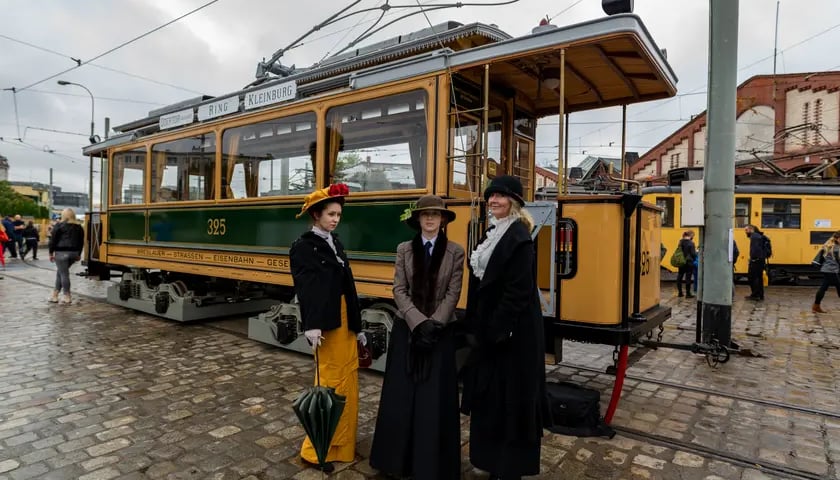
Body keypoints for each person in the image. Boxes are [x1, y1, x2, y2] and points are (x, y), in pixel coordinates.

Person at [370, 195, 465, 480]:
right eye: (425, 215)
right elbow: (398, 290)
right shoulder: (404, 250)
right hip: (408, 331)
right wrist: (418, 323)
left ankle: (431, 463)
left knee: (434, 399)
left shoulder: (455, 252)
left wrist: (434, 324)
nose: (430, 219)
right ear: (418, 220)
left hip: (440, 333)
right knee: (402, 396)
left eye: (436, 215)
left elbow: (453, 292)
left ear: (444, 220)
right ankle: (396, 460)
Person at [460, 175, 547, 480]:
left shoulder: (518, 237)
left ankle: (510, 468)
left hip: (513, 335)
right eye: (490, 197)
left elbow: (518, 292)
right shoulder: (493, 232)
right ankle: (491, 459)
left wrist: (497, 331)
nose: (493, 201)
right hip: (493, 330)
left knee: (511, 400)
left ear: (514, 202)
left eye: (500, 197)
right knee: (492, 399)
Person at [290, 183, 363, 473]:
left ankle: (342, 444)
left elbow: (349, 286)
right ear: (317, 214)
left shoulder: (335, 243)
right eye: (331, 214)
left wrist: (357, 325)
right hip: (326, 322)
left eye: (338, 215)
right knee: (330, 383)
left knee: (348, 380)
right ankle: (315, 449)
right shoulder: (303, 246)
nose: (335, 219)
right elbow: (306, 288)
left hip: (344, 319)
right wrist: (311, 325)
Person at [48, 208, 84, 304]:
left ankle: (67, 296)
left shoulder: (59, 226)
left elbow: (53, 240)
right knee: (61, 272)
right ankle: (55, 295)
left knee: (63, 274)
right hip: (74, 253)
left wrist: (51, 253)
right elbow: (81, 242)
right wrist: (79, 254)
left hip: (61, 252)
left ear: (63, 216)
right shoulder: (79, 227)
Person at [812, 230, 840, 313]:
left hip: (826, 270)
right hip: (833, 271)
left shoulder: (828, 245)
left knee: (823, 288)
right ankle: (816, 306)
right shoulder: (837, 248)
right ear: (837, 238)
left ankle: (816, 306)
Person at [745, 224, 768, 300]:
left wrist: (753, 259)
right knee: (759, 278)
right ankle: (760, 295)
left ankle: (755, 295)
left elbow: (755, 250)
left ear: (751, 229)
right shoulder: (758, 236)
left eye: (746, 230)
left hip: (756, 261)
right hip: (761, 260)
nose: (746, 232)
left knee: (752, 278)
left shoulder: (754, 237)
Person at [676, 231, 697, 298]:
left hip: (681, 262)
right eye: (693, 236)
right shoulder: (691, 243)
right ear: (690, 235)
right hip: (688, 262)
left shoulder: (680, 242)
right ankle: (688, 294)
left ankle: (680, 293)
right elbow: (693, 254)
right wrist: (694, 256)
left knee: (680, 276)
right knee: (688, 278)